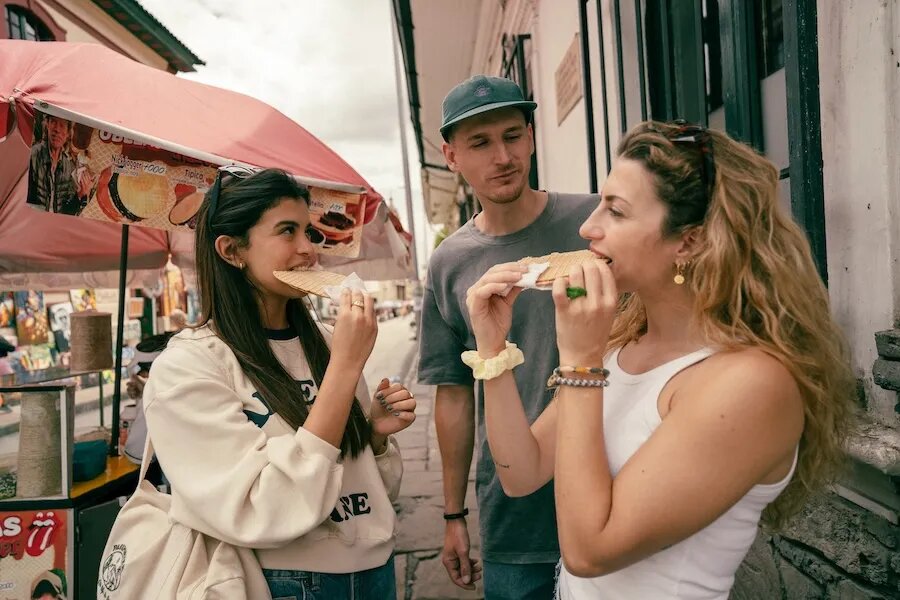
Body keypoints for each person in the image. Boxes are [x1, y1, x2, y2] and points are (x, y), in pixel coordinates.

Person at [465, 120, 856, 599]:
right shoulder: (622, 346)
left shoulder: (751, 383)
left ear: (687, 242)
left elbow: (590, 551)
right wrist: (493, 352)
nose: (588, 227)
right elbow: (521, 475)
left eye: (616, 212)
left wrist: (580, 363)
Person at [139, 167, 416, 599]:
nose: (309, 249)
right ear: (232, 250)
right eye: (287, 231)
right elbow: (261, 509)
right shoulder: (189, 365)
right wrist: (344, 369)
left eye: (310, 231)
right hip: (282, 581)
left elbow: (369, 487)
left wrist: (373, 437)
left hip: (376, 569)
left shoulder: (327, 342)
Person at [417, 74, 597, 598]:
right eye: (480, 143)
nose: (503, 156)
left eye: (513, 135)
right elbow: (452, 394)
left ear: (532, 136)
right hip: (514, 513)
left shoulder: (592, 222)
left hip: (611, 485)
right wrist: (454, 514)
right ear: (451, 157)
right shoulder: (451, 262)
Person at [27, 114, 92, 215]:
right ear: (47, 124)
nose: (57, 129)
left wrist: (80, 194)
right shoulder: (33, 155)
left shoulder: (69, 166)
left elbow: (67, 211)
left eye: (62, 125)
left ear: (68, 134)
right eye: (53, 122)